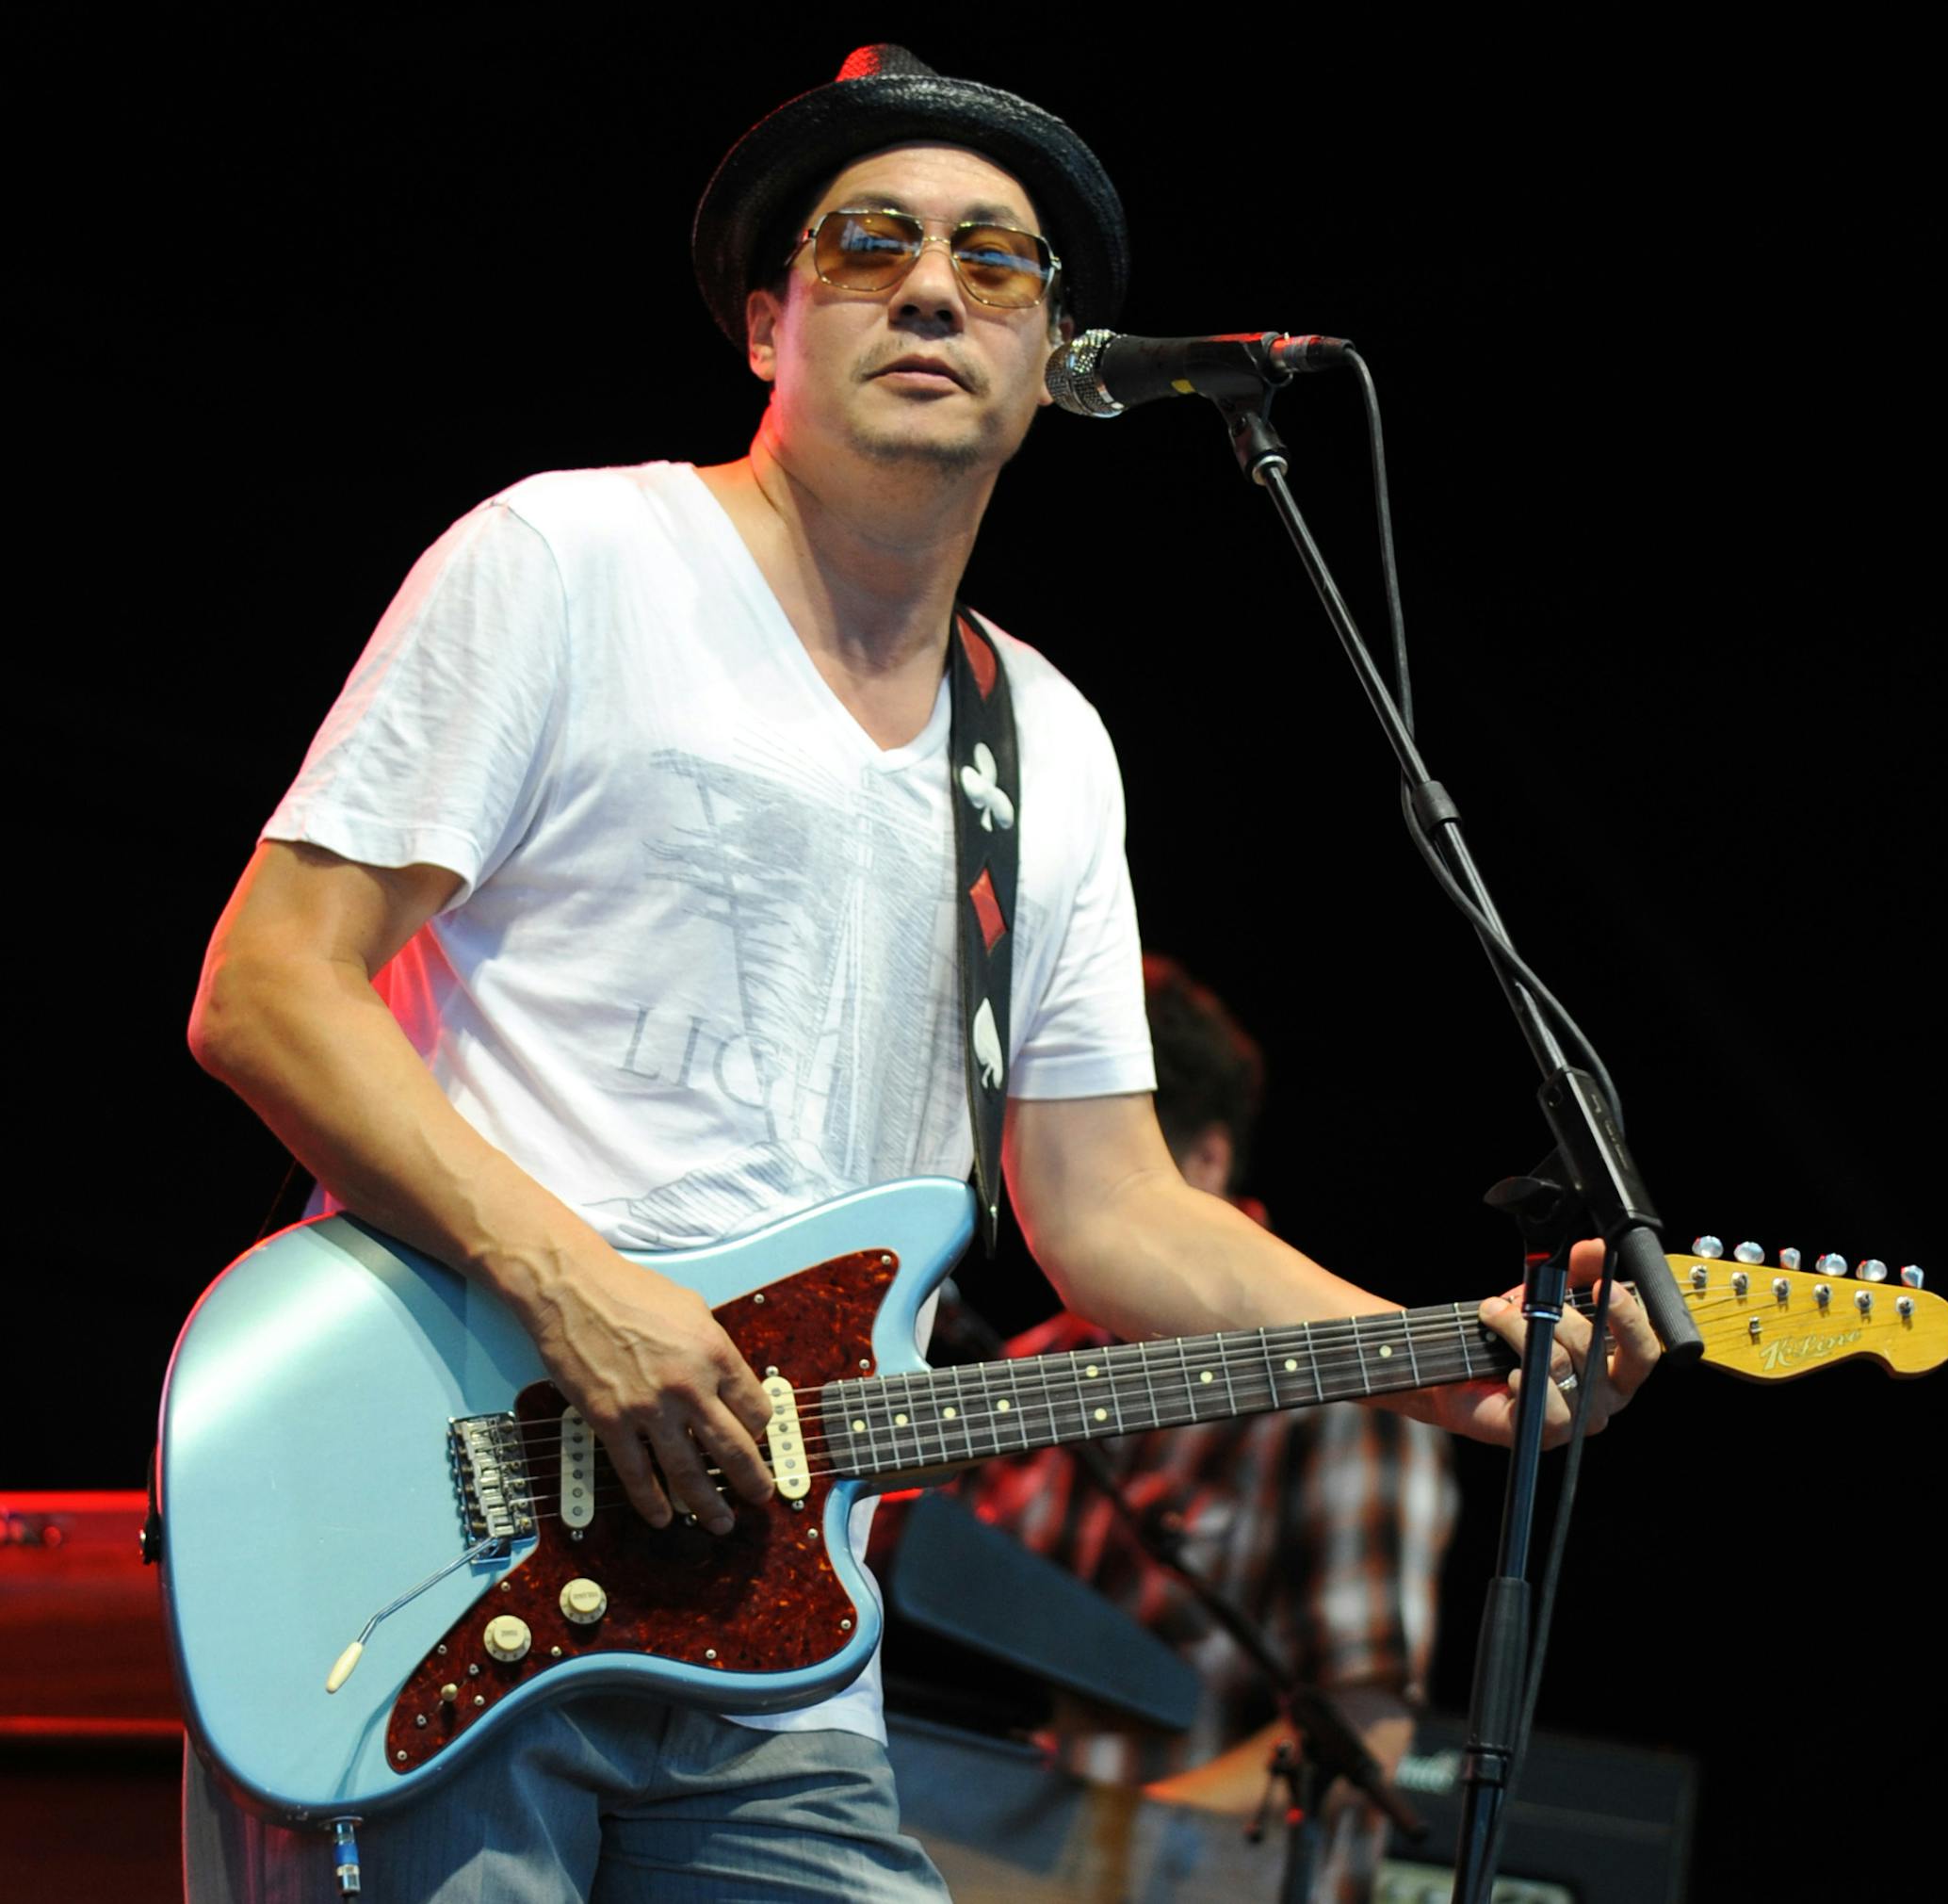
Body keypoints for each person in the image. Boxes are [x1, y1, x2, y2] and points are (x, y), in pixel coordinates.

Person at [184, 43, 1659, 1903]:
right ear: (764, 317)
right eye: (870, 239)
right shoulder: (569, 559)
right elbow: (271, 983)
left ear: (1057, 357)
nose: (936, 284)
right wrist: (586, 1288)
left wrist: (1439, 1364)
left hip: (785, 1623)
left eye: (999, 258)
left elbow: (1109, 1209)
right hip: (439, 1538)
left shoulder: (1039, 735)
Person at [957, 956, 1458, 1901]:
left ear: (1208, 1165)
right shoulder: (1021, 1370)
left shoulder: (1346, 1391)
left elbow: (1362, 1733)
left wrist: (1078, 1855)